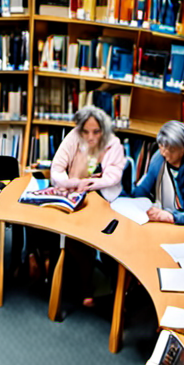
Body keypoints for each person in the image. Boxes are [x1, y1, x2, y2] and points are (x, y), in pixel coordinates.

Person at [31, 106, 126, 305]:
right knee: (39, 219)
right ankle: (45, 263)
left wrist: (92, 183)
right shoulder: (73, 137)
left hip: (98, 198)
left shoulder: (112, 144)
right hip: (68, 191)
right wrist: (71, 183)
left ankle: (83, 286)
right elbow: (57, 169)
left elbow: (113, 176)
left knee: (81, 235)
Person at [128, 120, 184, 229]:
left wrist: (170, 216)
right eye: (161, 146)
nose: (164, 152)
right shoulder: (159, 157)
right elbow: (144, 188)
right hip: (164, 223)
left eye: (171, 150)